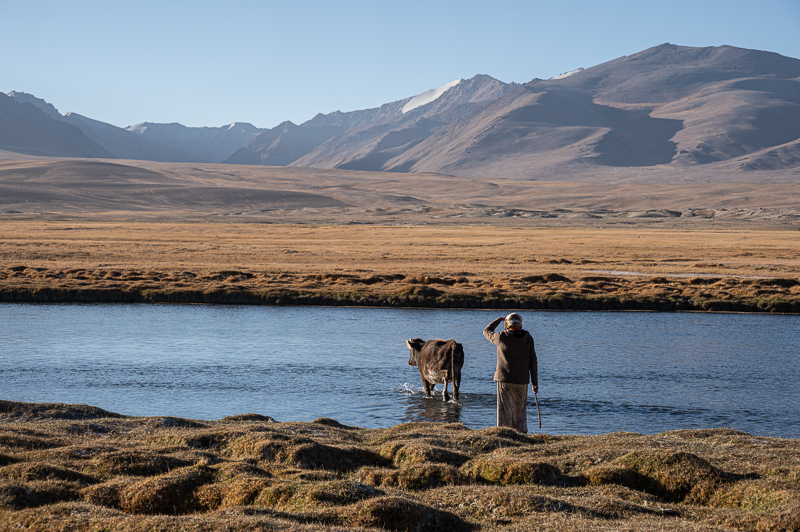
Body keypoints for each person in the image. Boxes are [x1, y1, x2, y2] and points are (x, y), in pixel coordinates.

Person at [483, 312, 538, 433]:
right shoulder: (528, 338)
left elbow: (487, 331)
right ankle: (521, 433)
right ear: (520, 324)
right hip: (522, 381)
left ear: (507, 324)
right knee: (520, 410)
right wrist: (535, 383)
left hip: (504, 380)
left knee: (504, 410)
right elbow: (533, 361)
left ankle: (504, 433)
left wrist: (498, 319)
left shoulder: (501, 336)